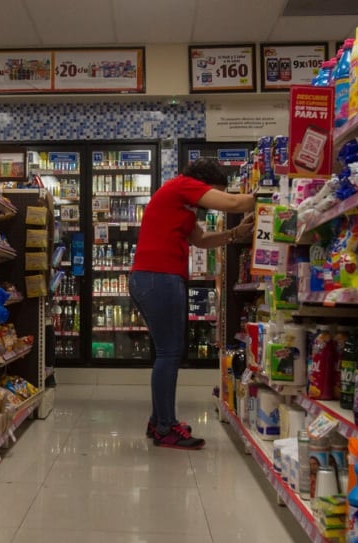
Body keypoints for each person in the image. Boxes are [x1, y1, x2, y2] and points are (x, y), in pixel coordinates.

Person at [129, 157, 255, 450]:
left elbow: (200, 240)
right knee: (169, 353)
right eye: (215, 192)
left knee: (166, 353)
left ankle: (159, 419)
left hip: (151, 278)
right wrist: (268, 196)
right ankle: (165, 427)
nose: (211, 203)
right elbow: (234, 204)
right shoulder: (184, 186)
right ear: (206, 184)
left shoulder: (182, 205)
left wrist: (235, 234)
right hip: (158, 277)